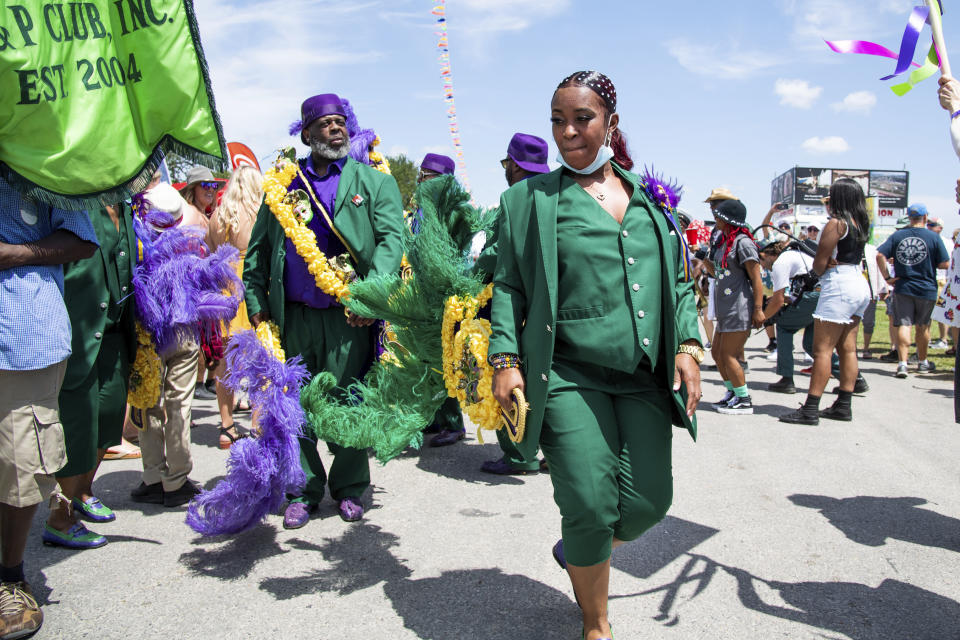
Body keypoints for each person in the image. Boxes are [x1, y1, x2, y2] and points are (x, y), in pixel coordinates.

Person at [490, 71, 701, 640]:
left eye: (581, 118)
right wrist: (505, 357)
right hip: (565, 374)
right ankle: (596, 624)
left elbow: (678, 283)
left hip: (641, 377)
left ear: (611, 122)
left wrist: (686, 346)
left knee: (649, 503)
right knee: (587, 500)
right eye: (557, 120)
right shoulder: (526, 200)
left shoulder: (652, 202)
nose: (567, 132)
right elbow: (508, 284)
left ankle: (579, 551)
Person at [244, 93, 404, 529]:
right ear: (307, 133)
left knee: (349, 399)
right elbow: (257, 252)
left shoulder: (373, 183)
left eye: (341, 122)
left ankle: (350, 488)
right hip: (293, 318)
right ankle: (302, 490)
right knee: (295, 406)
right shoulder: (282, 185)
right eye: (325, 123)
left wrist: (370, 298)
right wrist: (256, 306)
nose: (336, 129)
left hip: (348, 316)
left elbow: (393, 242)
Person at [0, 175, 98, 637]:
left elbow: (82, 241)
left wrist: (11, 254)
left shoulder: (41, 158)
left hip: (22, 336)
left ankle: (10, 579)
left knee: (21, 461)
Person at [44, 202, 138, 549]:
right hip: (78, 328)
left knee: (111, 413)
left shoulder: (125, 204)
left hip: (116, 330)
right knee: (78, 422)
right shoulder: (74, 200)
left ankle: (82, 489)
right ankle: (59, 517)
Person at [129, 183, 209, 508]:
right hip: (183, 330)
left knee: (147, 401)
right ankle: (175, 480)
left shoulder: (135, 246)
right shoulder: (192, 245)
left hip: (147, 332)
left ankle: (152, 475)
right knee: (178, 403)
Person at [481, 133, 551, 476]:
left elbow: (499, 255)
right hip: (551, 310)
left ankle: (518, 454)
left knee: (512, 375)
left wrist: (474, 267)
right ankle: (553, 453)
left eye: (505, 163)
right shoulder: (559, 192)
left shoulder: (515, 198)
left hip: (517, 304)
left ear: (513, 164)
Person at [780, 179, 871, 425]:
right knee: (848, 348)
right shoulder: (860, 222)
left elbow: (819, 264)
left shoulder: (836, 223)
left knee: (823, 351)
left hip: (839, 285)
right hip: (858, 282)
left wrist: (823, 263)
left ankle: (810, 408)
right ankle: (844, 404)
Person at [412, 153, 470, 448]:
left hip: (446, 295)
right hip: (422, 294)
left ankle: (454, 423)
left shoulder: (453, 211)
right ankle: (435, 418)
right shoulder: (422, 211)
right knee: (427, 358)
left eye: (428, 176)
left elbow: (457, 257)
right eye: (420, 175)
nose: (421, 181)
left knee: (445, 358)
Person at [206, 166, 262, 449]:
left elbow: (208, 250)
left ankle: (226, 427)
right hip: (247, 286)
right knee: (259, 361)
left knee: (224, 365)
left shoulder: (218, 217)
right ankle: (257, 423)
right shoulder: (255, 213)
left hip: (220, 290)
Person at [876, 203, 950, 378]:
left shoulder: (898, 235)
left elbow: (879, 255)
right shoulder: (933, 237)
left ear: (909, 217)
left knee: (904, 324)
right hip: (926, 287)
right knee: (923, 326)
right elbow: (945, 263)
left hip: (903, 286)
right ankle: (923, 362)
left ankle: (902, 364)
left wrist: (887, 278)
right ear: (925, 218)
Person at [705, 199, 763, 414]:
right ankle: (732, 393)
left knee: (729, 355)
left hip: (739, 308)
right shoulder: (722, 241)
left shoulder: (743, 243)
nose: (715, 218)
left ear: (728, 218)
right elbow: (717, 273)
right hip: (725, 308)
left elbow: (756, 278)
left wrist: (758, 309)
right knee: (718, 353)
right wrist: (704, 258)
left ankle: (744, 399)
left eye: (718, 215)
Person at [758, 237, 816, 395]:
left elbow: (778, 300)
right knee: (812, 344)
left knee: (783, 326)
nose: (763, 268)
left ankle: (786, 379)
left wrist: (761, 318)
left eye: (761, 263)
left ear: (766, 255)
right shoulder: (793, 255)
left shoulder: (779, 263)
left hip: (813, 297)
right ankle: (852, 378)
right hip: (822, 296)